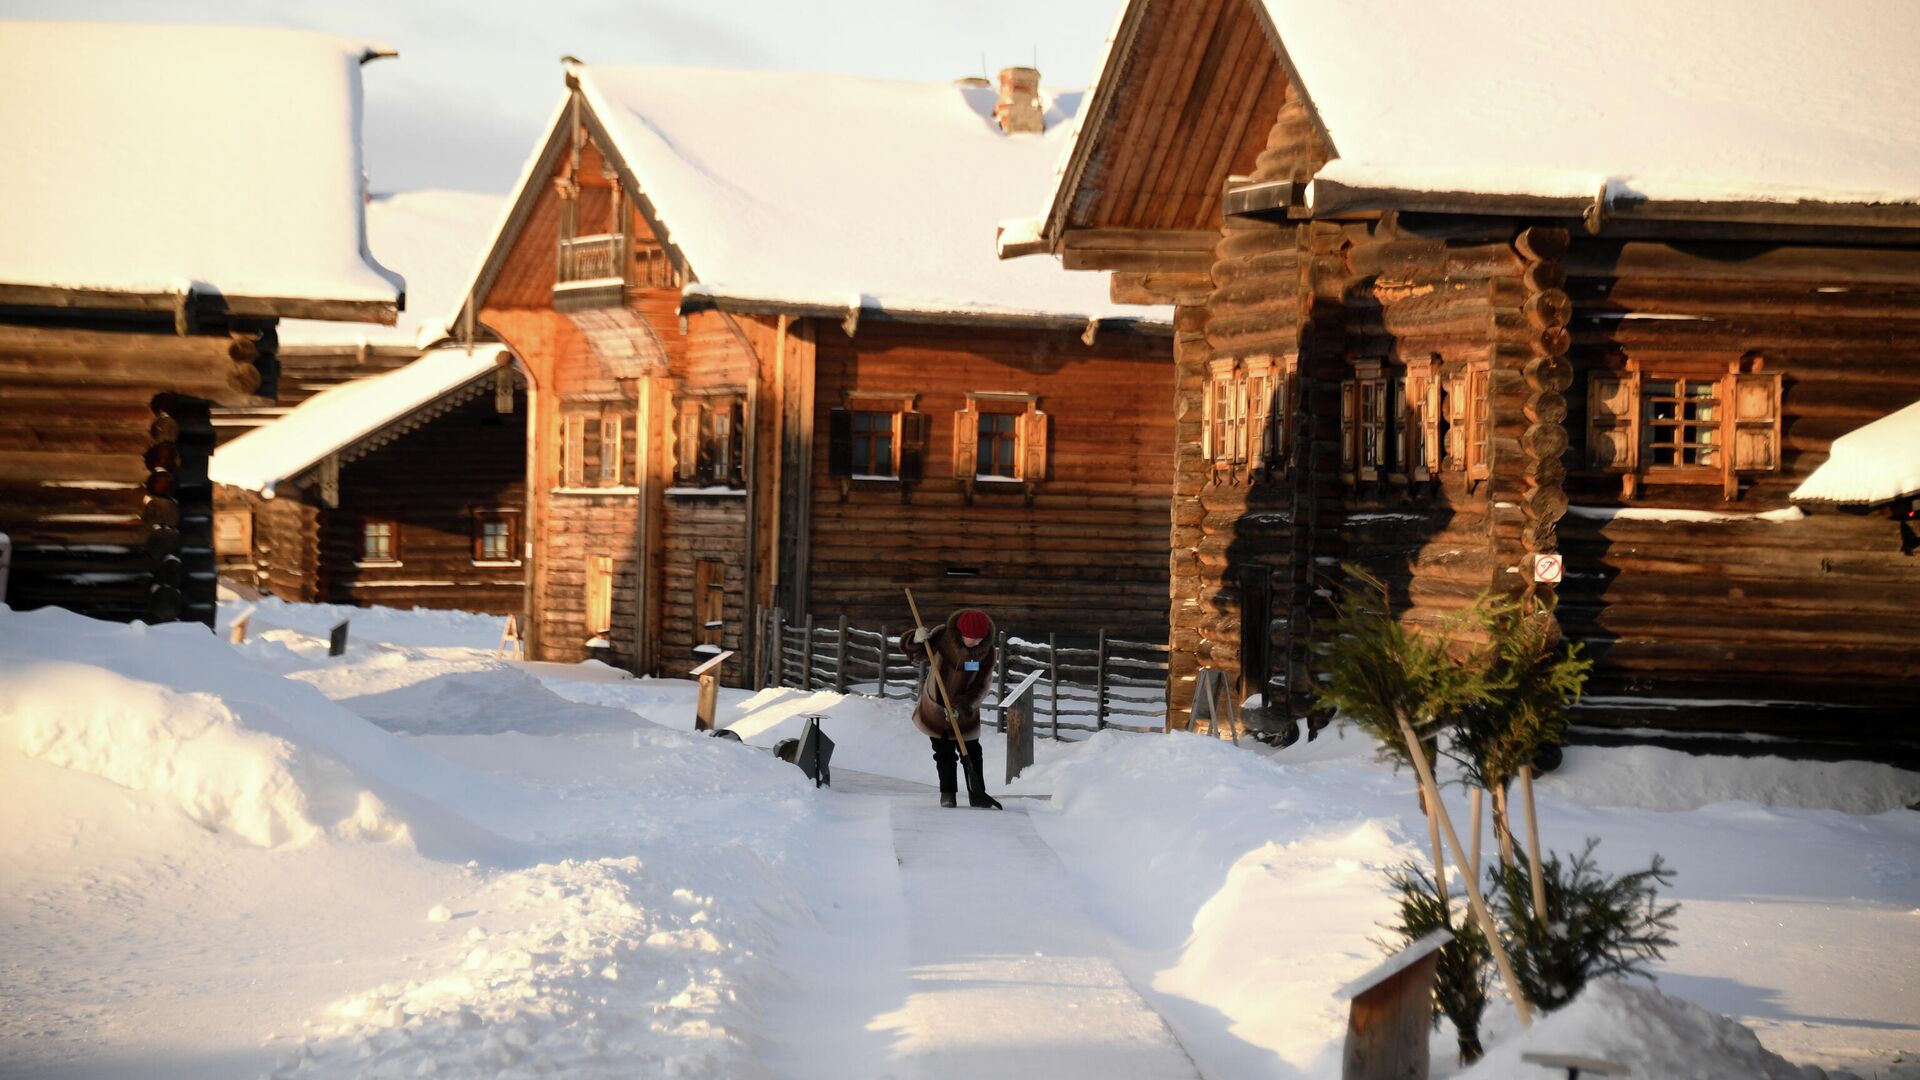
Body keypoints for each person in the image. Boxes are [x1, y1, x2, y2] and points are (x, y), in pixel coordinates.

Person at [911, 608, 1001, 809]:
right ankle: (947, 793)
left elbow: (982, 685)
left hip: (964, 711)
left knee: (973, 752)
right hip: (935, 708)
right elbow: (917, 654)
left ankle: (977, 793)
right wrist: (916, 640)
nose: (975, 642)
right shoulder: (943, 636)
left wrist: (962, 706)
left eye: (980, 638)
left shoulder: (986, 652)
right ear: (960, 632)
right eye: (971, 637)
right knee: (943, 753)